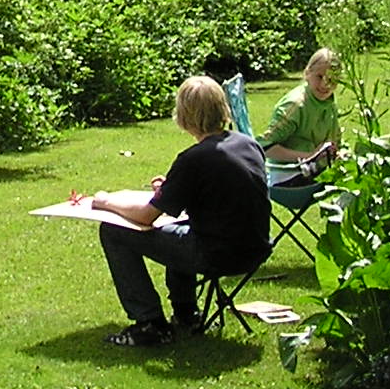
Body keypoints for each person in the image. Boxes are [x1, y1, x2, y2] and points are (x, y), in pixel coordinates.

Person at [86, 75, 270, 347]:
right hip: (254, 250)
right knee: (177, 231)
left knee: (113, 230)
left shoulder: (193, 159)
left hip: (217, 254)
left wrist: (106, 201)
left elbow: (146, 215)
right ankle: (185, 312)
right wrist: (168, 188)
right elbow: (217, 193)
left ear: (185, 116)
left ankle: (150, 323)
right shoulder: (247, 144)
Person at [261, 47, 343, 166]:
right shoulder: (295, 105)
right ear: (307, 73)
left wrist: (340, 153)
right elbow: (264, 147)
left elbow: (336, 142)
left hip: (318, 174)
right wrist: (310, 157)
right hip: (288, 176)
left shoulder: (329, 103)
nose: (325, 84)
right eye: (319, 77)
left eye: (331, 79)